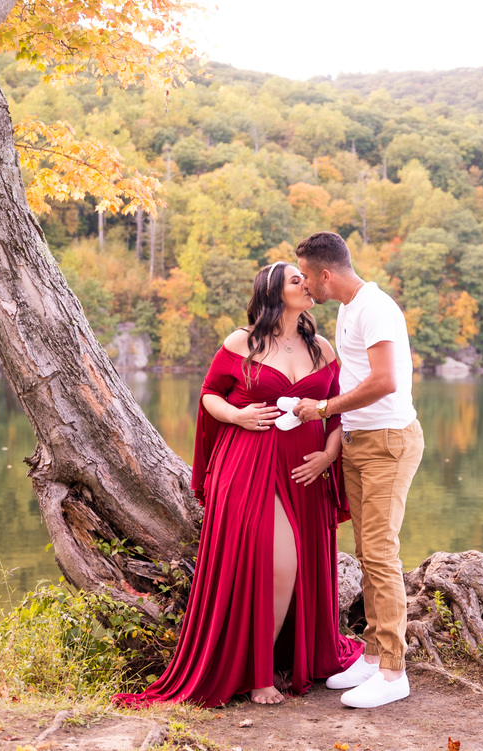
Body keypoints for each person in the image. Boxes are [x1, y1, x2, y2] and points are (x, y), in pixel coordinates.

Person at [113, 262, 361, 708]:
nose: (307, 285)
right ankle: (258, 673)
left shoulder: (321, 347)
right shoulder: (240, 342)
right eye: (296, 280)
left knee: (300, 568)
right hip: (248, 465)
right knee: (276, 564)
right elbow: (209, 395)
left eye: (306, 278)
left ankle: (288, 659)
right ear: (272, 292)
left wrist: (329, 455)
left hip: (306, 471)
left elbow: (337, 409)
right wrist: (239, 415)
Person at [292, 231, 424, 709]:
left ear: (326, 274)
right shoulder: (349, 309)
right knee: (367, 551)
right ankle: (373, 655)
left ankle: (393, 673)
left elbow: (385, 381)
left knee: (382, 554)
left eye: (306, 276)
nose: (305, 285)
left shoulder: (376, 308)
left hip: (388, 443)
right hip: (357, 442)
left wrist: (325, 409)